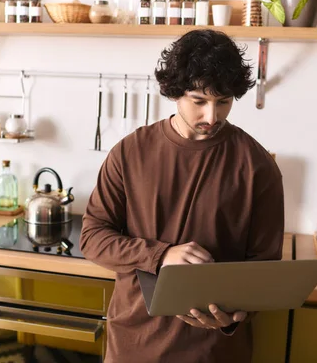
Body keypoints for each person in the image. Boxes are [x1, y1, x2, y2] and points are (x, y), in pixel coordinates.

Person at [80, 29, 284, 363]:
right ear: (176, 92)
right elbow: (92, 237)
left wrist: (232, 319)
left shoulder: (258, 167)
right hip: (133, 345)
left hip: (214, 352)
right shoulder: (130, 153)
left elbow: (263, 272)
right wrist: (160, 256)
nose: (211, 117)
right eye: (199, 101)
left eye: (224, 102)